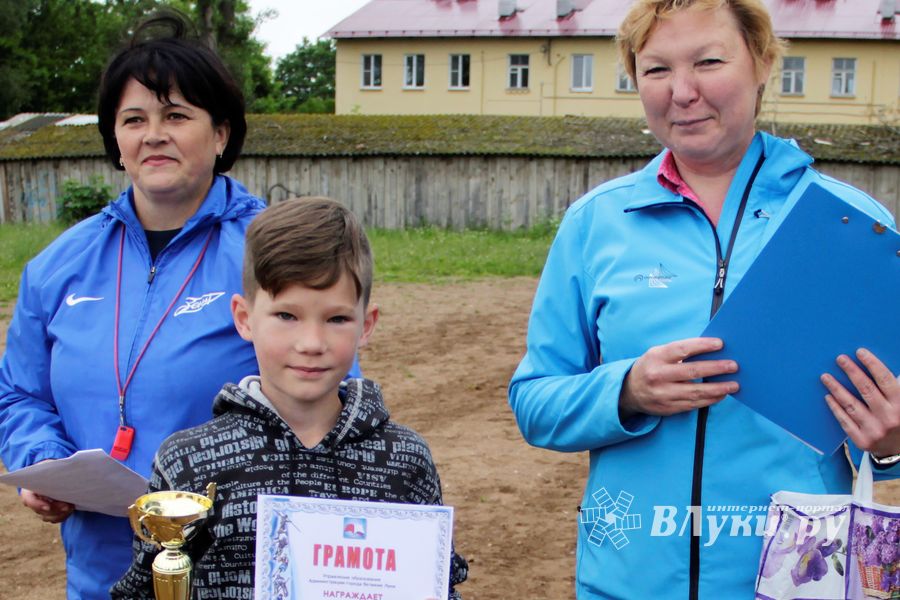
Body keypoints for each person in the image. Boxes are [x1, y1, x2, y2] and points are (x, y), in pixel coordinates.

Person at [508, 0, 900, 598]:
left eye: (709, 61)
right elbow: (535, 401)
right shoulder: (596, 224)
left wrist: (894, 444)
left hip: (797, 583)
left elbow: (887, 412)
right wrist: (627, 390)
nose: (682, 92)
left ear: (763, 62)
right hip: (628, 580)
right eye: (656, 69)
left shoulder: (850, 225)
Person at [0, 14, 356, 600]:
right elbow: (19, 393)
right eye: (134, 119)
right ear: (116, 139)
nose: (154, 134)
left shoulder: (277, 251)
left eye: (177, 116)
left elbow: (336, 399)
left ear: (221, 133)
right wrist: (44, 462)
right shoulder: (57, 265)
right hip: (101, 576)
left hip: (242, 573)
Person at [111, 197, 468, 599]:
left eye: (337, 319)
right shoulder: (188, 461)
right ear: (244, 318)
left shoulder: (405, 459)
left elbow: (438, 585)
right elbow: (143, 588)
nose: (311, 343)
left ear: (366, 326)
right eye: (286, 316)